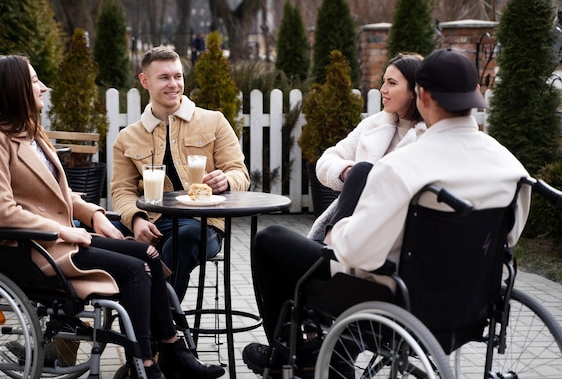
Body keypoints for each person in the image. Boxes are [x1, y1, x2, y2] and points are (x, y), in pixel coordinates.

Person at [242, 48, 532, 378]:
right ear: (475, 98)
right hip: (471, 299)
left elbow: (357, 254)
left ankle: (292, 353)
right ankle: (319, 354)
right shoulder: (511, 167)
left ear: (422, 94)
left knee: (271, 240)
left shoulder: (403, 166)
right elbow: (508, 238)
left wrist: (340, 230)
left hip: (395, 298)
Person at [0, 55, 225, 379]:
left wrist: (95, 215)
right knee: (135, 270)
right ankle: (144, 363)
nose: (43, 88)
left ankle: (171, 349)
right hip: (33, 248)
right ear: (12, 88)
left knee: (149, 255)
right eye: (34, 81)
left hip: (59, 239)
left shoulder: (31, 135)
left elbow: (61, 196)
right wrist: (63, 231)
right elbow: (1, 212)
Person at [111, 46, 250, 302]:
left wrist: (226, 180)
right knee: (87, 230)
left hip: (201, 223)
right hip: (151, 221)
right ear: (145, 81)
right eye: (164, 77)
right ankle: (77, 322)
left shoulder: (214, 121)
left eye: (178, 76)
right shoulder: (128, 137)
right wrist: (136, 220)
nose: (173, 84)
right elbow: (121, 190)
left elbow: (240, 173)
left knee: (182, 239)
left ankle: (159, 323)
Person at [308, 53, 427, 241]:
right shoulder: (374, 125)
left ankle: (330, 245)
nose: (383, 89)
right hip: (346, 224)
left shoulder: (428, 137)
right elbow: (327, 160)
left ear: (414, 91)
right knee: (270, 238)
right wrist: (348, 173)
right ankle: (330, 242)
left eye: (392, 83)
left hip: (385, 238)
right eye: (383, 82)